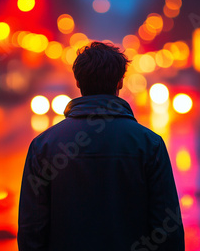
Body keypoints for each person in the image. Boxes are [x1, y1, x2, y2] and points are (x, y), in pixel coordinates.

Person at [18, 42, 184, 251]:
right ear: (120, 82)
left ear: (78, 82)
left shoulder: (44, 146)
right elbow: (168, 229)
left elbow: (31, 229)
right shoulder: (149, 144)